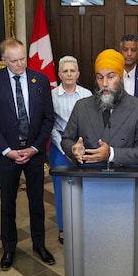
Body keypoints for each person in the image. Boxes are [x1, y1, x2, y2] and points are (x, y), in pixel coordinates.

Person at [0, 38, 55, 270]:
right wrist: (8, 151)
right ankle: (9, 248)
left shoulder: (40, 80)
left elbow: (48, 119)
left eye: (23, 58)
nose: (20, 64)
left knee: (37, 202)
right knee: (8, 204)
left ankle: (39, 244)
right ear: (3, 61)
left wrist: (34, 149)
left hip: (33, 155)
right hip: (7, 157)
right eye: (14, 61)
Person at [61, 48, 138, 167]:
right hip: (88, 176)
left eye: (110, 77)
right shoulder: (82, 106)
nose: (104, 83)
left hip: (125, 179)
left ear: (120, 78)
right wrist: (74, 149)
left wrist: (112, 153)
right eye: (100, 77)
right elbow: (67, 140)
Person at [49, 56, 92, 244]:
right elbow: (49, 125)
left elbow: (92, 123)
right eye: (64, 71)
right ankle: (64, 227)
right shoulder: (51, 96)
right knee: (61, 189)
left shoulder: (87, 94)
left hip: (84, 148)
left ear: (78, 74)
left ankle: (83, 223)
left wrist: (80, 148)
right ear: (59, 74)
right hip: (59, 148)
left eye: (72, 71)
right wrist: (64, 148)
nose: (68, 74)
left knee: (84, 187)